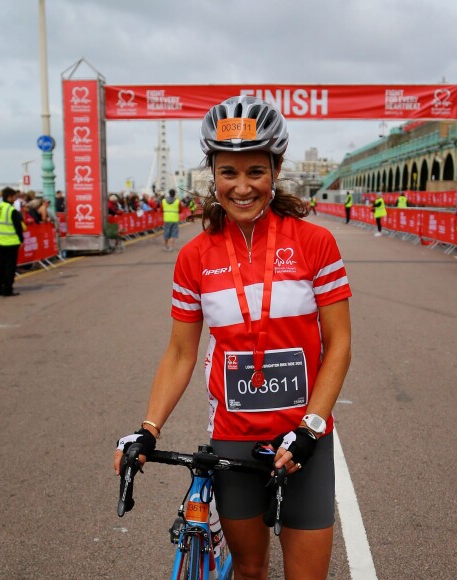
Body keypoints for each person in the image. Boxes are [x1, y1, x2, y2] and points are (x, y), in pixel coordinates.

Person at [113, 95, 352, 580]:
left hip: (301, 438)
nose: (242, 187)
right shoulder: (195, 256)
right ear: (213, 174)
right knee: (248, 570)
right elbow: (181, 353)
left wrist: (311, 427)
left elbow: (340, 343)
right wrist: (147, 428)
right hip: (232, 437)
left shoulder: (314, 243)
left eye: (255, 172)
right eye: (228, 173)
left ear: (276, 169)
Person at [0, 187, 24, 296]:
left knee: (0, 265)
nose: (15, 199)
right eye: (14, 197)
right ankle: (7, 289)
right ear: (9, 197)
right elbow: (18, 227)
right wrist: (21, 240)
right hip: (11, 241)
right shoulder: (11, 210)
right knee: (10, 267)